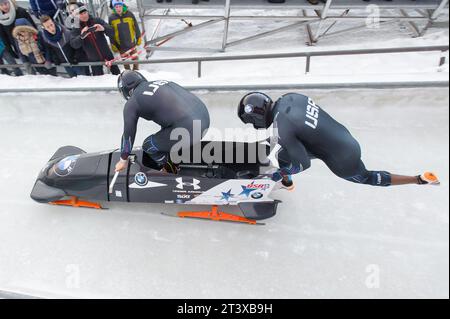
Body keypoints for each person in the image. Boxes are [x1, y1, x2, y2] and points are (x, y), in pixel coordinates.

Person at [237, 92, 440, 190]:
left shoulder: (283, 129)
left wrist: (279, 174)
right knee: (282, 152)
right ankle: (288, 184)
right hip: (339, 136)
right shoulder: (291, 97)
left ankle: (418, 178)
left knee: (365, 177)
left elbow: (303, 164)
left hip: (342, 158)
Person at [114, 71, 210, 174]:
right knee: (166, 131)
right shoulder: (161, 81)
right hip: (205, 118)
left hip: (188, 128)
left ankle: (171, 170)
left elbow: (128, 134)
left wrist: (123, 159)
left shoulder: (132, 102)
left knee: (149, 145)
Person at [70, 5, 120, 76]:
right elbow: (74, 44)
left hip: (107, 54)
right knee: (98, 81)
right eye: (81, 14)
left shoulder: (96, 20)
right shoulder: (76, 27)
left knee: (117, 75)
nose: (84, 15)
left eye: (85, 12)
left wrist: (103, 28)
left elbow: (112, 32)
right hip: (93, 59)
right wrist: (81, 37)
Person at [0, 0, 36, 76]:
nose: (4, 6)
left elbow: (32, 26)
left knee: (38, 63)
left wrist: (36, 38)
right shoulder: (1, 19)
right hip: (18, 46)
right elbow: (3, 36)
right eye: (1, 5)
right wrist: (10, 50)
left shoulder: (20, 11)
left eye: (6, 4)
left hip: (31, 43)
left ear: (9, 2)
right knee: (28, 66)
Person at [108, 0, 141, 71]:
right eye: (116, 7)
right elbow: (111, 32)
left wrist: (138, 37)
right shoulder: (111, 17)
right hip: (121, 44)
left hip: (131, 42)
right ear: (114, 8)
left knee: (135, 58)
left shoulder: (130, 14)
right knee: (125, 61)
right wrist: (113, 44)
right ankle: (128, 72)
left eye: (120, 6)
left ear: (123, 6)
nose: (118, 8)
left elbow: (136, 26)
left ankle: (136, 70)